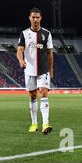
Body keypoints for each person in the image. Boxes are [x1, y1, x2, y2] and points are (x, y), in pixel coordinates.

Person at [16, 7, 54, 135]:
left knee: (43, 93)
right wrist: (21, 61)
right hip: (29, 70)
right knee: (32, 96)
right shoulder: (24, 34)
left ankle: (45, 124)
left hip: (43, 70)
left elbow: (50, 53)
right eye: (33, 17)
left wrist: (51, 69)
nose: (35, 19)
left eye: (37, 17)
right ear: (30, 18)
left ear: (41, 18)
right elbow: (19, 50)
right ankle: (34, 123)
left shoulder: (47, 34)